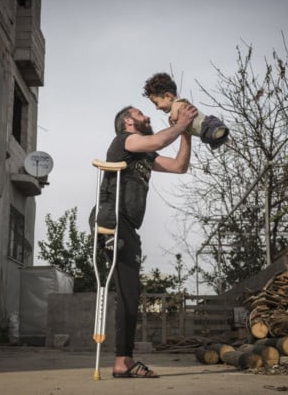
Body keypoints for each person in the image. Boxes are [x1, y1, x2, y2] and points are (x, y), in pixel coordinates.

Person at [89, 103, 198, 378]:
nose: (147, 116)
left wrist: (187, 134)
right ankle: (122, 361)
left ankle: (123, 361)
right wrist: (181, 123)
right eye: (140, 114)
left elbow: (179, 166)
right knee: (126, 291)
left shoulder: (146, 153)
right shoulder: (125, 141)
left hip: (128, 226)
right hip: (112, 217)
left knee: (131, 292)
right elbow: (161, 138)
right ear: (128, 122)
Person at [142, 72, 230, 150]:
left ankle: (220, 133)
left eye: (156, 103)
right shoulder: (179, 107)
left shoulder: (178, 104)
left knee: (214, 132)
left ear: (168, 96)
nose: (157, 108)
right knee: (214, 137)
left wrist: (172, 122)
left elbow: (175, 118)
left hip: (208, 124)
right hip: (205, 132)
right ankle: (222, 137)